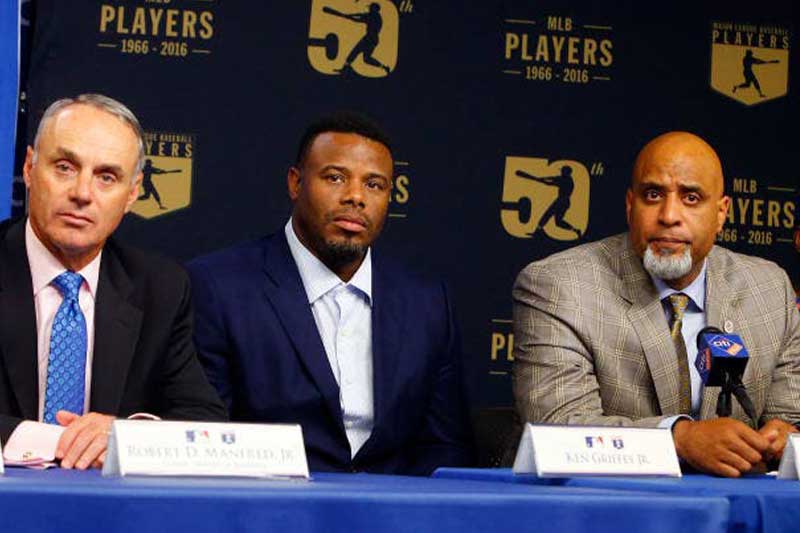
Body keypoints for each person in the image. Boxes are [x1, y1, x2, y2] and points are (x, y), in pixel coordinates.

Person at [188, 111, 472, 475]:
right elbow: (206, 436)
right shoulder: (218, 286)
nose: (355, 197)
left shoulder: (427, 303)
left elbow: (445, 447)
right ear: (295, 183)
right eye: (335, 177)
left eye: (374, 185)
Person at [512, 131, 799, 477]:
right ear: (631, 206)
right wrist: (679, 439)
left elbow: (790, 416)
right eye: (653, 195)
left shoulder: (769, 288)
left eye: (691, 198)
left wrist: (785, 436)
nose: (669, 215)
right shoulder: (560, 286)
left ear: (721, 213)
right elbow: (559, 424)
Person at [0, 94, 226, 470]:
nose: (82, 194)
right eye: (65, 167)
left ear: (133, 193)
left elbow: (204, 419)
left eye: (107, 177)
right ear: (28, 167)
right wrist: (59, 442)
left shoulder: (160, 288)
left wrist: (127, 436)